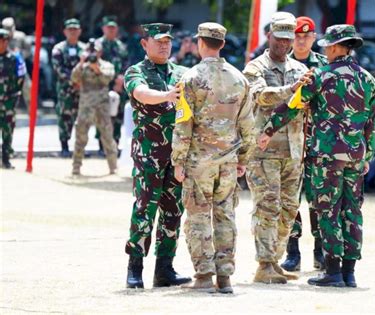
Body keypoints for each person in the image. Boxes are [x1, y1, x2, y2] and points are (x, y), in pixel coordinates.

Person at [258, 24, 375, 288]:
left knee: (329, 210)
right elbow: (372, 122)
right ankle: (349, 272)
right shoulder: (368, 79)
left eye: (327, 45)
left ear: (335, 47)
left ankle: (332, 272)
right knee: (352, 211)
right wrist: (368, 154)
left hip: (327, 156)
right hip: (356, 155)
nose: (324, 49)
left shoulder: (319, 76)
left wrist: (268, 130)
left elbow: (292, 106)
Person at [171, 22, 255, 293]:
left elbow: (184, 123)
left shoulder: (191, 78)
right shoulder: (239, 78)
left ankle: (205, 275)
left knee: (197, 217)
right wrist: (243, 158)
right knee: (225, 215)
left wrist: (178, 160)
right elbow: (248, 126)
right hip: (229, 160)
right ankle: (226, 277)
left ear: (200, 43)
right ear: (221, 44)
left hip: (199, 161)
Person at [243, 12, 313, 284]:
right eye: (280, 38)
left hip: (294, 152)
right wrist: (291, 90)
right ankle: (264, 264)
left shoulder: (299, 69)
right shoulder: (255, 68)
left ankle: (276, 258)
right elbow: (260, 96)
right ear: (268, 36)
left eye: (290, 39)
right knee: (266, 208)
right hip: (265, 152)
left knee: (289, 210)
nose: (285, 44)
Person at [123, 23, 191, 289]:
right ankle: (135, 268)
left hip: (177, 156)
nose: (164, 45)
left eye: (167, 41)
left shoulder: (182, 73)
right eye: (158, 40)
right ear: (144, 44)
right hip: (149, 155)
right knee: (144, 209)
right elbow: (140, 93)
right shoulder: (136, 71)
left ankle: (164, 269)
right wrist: (166, 95)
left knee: (173, 211)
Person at [280, 16, 328, 272]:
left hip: (316, 141)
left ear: (314, 38)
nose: (301, 40)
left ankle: (320, 251)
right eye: (296, 36)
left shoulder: (323, 65)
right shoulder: (281, 65)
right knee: (290, 198)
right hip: (286, 141)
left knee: (317, 196)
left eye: (306, 36)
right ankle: (292, 251)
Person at [70, 40, 117, 175]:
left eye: (94, 51)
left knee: (107, 136)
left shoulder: (107, 65)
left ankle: (113, 167)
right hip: (85, 107)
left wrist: (96, 68)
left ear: (100, 52)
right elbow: (74, 78)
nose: (92, 54)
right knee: (81, 137)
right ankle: (76, 167)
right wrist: (81, 63)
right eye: (90, 51)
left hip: (102, 107)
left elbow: (107, 79)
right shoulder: (82, 66)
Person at [52, 19, 87, 157]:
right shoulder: (58, 49)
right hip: (65, 90)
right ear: (65, 31)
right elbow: (58, 69)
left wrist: (82, 82)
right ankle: (64, 147)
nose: (72, 32)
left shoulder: (84, 49)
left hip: (82, 90)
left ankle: (79, 148)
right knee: (64, 117)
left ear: (79, 31)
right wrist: (74, 81)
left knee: (82, 119)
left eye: (75, 29)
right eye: (70, 29)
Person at [96, 16, 128, 149]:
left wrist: (121, 80)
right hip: (101, 85)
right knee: (102, 115)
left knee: (117, 115)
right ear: (103, 29)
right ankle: (101, 146)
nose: (111, 30)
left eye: (113, 28)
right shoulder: (98, 45)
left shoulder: (121, 46)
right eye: (108, 28)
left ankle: (115, 143)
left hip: (117, 86)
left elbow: (126, 65)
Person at [0, 28, 26, 169]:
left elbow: (20, 79)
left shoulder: (15, 59)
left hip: (8, 102)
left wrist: (14, 96)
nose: (2, 44)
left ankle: (5, 159)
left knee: (8, 132)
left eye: (5, 41)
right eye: (0, 41)